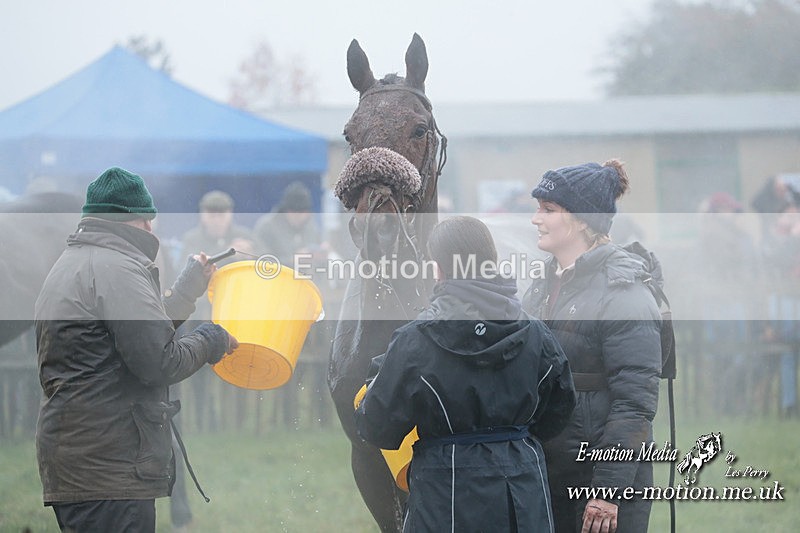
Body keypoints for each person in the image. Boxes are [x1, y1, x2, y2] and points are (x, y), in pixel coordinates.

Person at [34, 167, 239, 532]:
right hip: (109, 466)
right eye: (147, 219)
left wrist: (188, 287)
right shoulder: (118, 269)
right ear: (130, 220)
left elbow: (139, 336)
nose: (151, 229)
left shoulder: (74, 263)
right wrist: (210, 339)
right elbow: (159, 361)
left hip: (80, 462)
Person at [355, 215, 576, 532]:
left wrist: (377, 379)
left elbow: (378, 428)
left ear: (439, 269)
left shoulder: (414, 340)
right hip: (522, 486)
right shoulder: (536, 332)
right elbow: (560, 409)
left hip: (444, 489)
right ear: (491, 260)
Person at [523, 160, 662, 533]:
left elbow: (634, 404)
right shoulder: (541, 285)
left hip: (599, 487)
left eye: (548, 210)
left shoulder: (625, 292)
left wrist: (606, 491)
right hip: (545, 473)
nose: (536, 218)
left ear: (583, 220)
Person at [180, 190, 253, 432]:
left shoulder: (245, 238)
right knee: (197, 368)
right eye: (211, 215)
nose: (217, 220)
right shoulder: (191, 240)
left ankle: (238, 421)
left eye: (221, 215)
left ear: (230, 215)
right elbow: (188, 273)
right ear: (202, 216)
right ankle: (203, 420)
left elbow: (262, 267)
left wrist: (249, 252)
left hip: (235, 312)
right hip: (200, 312)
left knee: (239, 359)